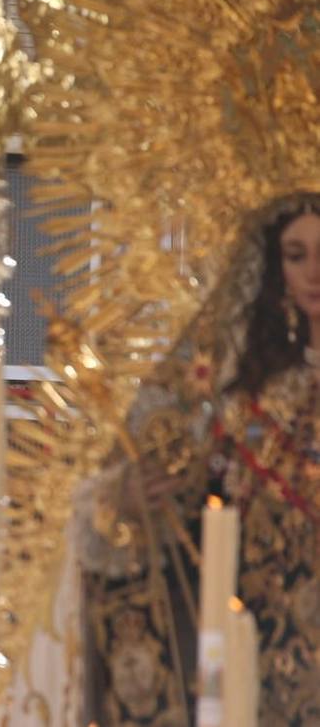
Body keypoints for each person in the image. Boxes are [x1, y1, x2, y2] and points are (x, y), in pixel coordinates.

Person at [78, 191, 320, 727]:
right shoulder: (237, 405)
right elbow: (178, 518)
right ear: (274, 269)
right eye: (296, 254)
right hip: (255, 667)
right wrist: (126, 504)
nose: (314, 273)